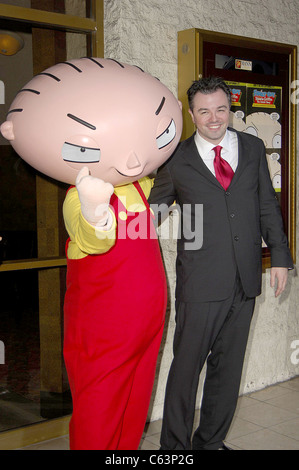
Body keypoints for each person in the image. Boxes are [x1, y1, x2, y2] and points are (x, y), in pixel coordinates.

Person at [0, 57, 183, 450]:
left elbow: (164, 194)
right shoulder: (75, 198)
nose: (132, 161)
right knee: (100, 403)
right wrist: (95, 209)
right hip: (105, 324)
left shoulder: (138, 186)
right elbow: (93, 240)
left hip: (147, 318)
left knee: (135, 399)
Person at [149, 76, 293, 451]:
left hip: (245, 279)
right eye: (204, 111)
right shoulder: (175, 158)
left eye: (221, 109)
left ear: (229, 108)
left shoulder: (252, 145)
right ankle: (175, 451)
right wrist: (113, 221)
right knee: (185, 372)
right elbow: (154, 210)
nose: (214, 118)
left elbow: (266, 205)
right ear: (192, 114)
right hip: (200, 282)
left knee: (227, 371)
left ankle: (209, 443)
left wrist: (279, 257)